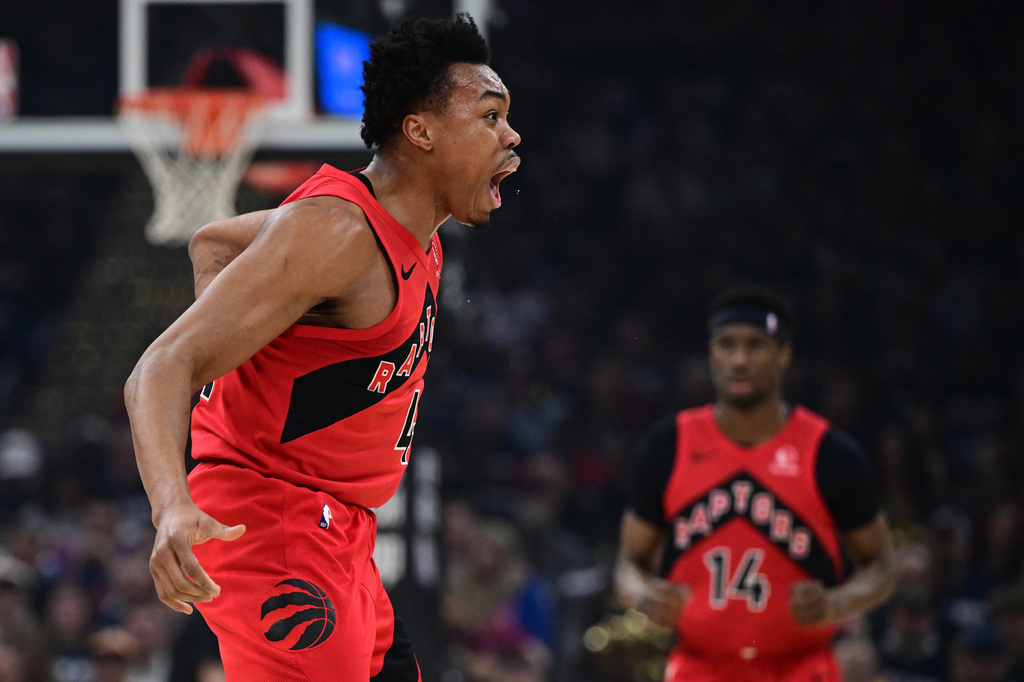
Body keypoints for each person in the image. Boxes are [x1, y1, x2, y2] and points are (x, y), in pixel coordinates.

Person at [123, 13, 520, 681]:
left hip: (339, 532)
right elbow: (159, 368)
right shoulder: (338, 233)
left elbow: (213, 243)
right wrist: (172, 507)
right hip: (272, 525)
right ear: (420, 131)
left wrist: (252, 359)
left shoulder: (414, 238)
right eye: (489, 116)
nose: (511, 135)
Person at [614, 285, 896, 682]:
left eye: (756, 346)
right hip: (699, 666)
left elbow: (883, 566)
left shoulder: (831, 452)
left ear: (784, 355)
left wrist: (837, 602)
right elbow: (628, 564)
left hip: (800, 666)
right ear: (711, 354)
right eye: (726, 345)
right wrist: (643, 595)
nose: (739, 360)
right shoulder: (669, 444)